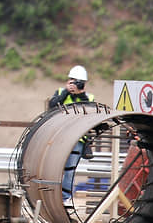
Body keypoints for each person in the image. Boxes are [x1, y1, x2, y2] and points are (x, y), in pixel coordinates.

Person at [47, 65, 95, 209]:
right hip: (60, 135)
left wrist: (80, 94)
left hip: (78, 138)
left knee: (70, 170)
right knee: (53, 168)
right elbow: (52, 106)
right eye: (73, 81)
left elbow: (91, 111)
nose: (75, 85)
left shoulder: (88, 97)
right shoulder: (60, 92)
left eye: (78, 82)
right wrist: (66, 93)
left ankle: (65, 198)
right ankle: (51, 197)